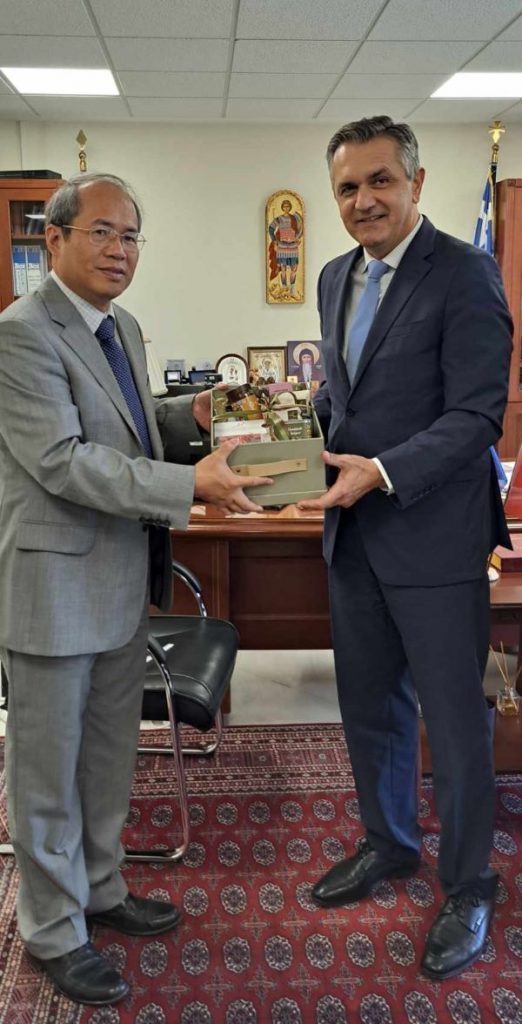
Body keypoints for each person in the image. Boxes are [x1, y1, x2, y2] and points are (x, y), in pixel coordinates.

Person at [0, 172, 271, 1007]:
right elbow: (63, 461)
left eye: (131, 235)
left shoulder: (122, 327)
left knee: (109, 759)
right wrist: (191, 486)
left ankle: (101, 888)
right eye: (102, 232)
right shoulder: (20, 334)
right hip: (53, 590)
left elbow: (132, 423)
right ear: (54, 240)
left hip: (121, 584)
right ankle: (53, 929)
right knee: (48, 773)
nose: (120, 250)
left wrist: (197, 413)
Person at [299, 116, 512, 980]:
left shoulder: (465, 272)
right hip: (353, 539)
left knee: (454, 726)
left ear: (416, 184)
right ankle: (389, 843)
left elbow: (478, 416)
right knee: (370, 708)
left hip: (436, 538)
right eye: (348, 187)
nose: (364, 200)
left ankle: (469, 885)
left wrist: (383, 472)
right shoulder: (333, 276)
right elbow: (344, 398)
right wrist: (289, 434)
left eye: (380, 181)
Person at [268, 199, 303, 296]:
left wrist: (298, 238)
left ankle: (292, 289)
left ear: (290, 207)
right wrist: (275, 240)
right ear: (282, 208)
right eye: (284, 206)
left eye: (287, 206)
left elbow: (300, 229)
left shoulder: (295, 218)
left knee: (294, 269)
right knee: (283, 269)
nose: (286, 208)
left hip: (293, 246)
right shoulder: (279, 219)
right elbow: (271, 228)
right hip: (282, 246)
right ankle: (284, 288)